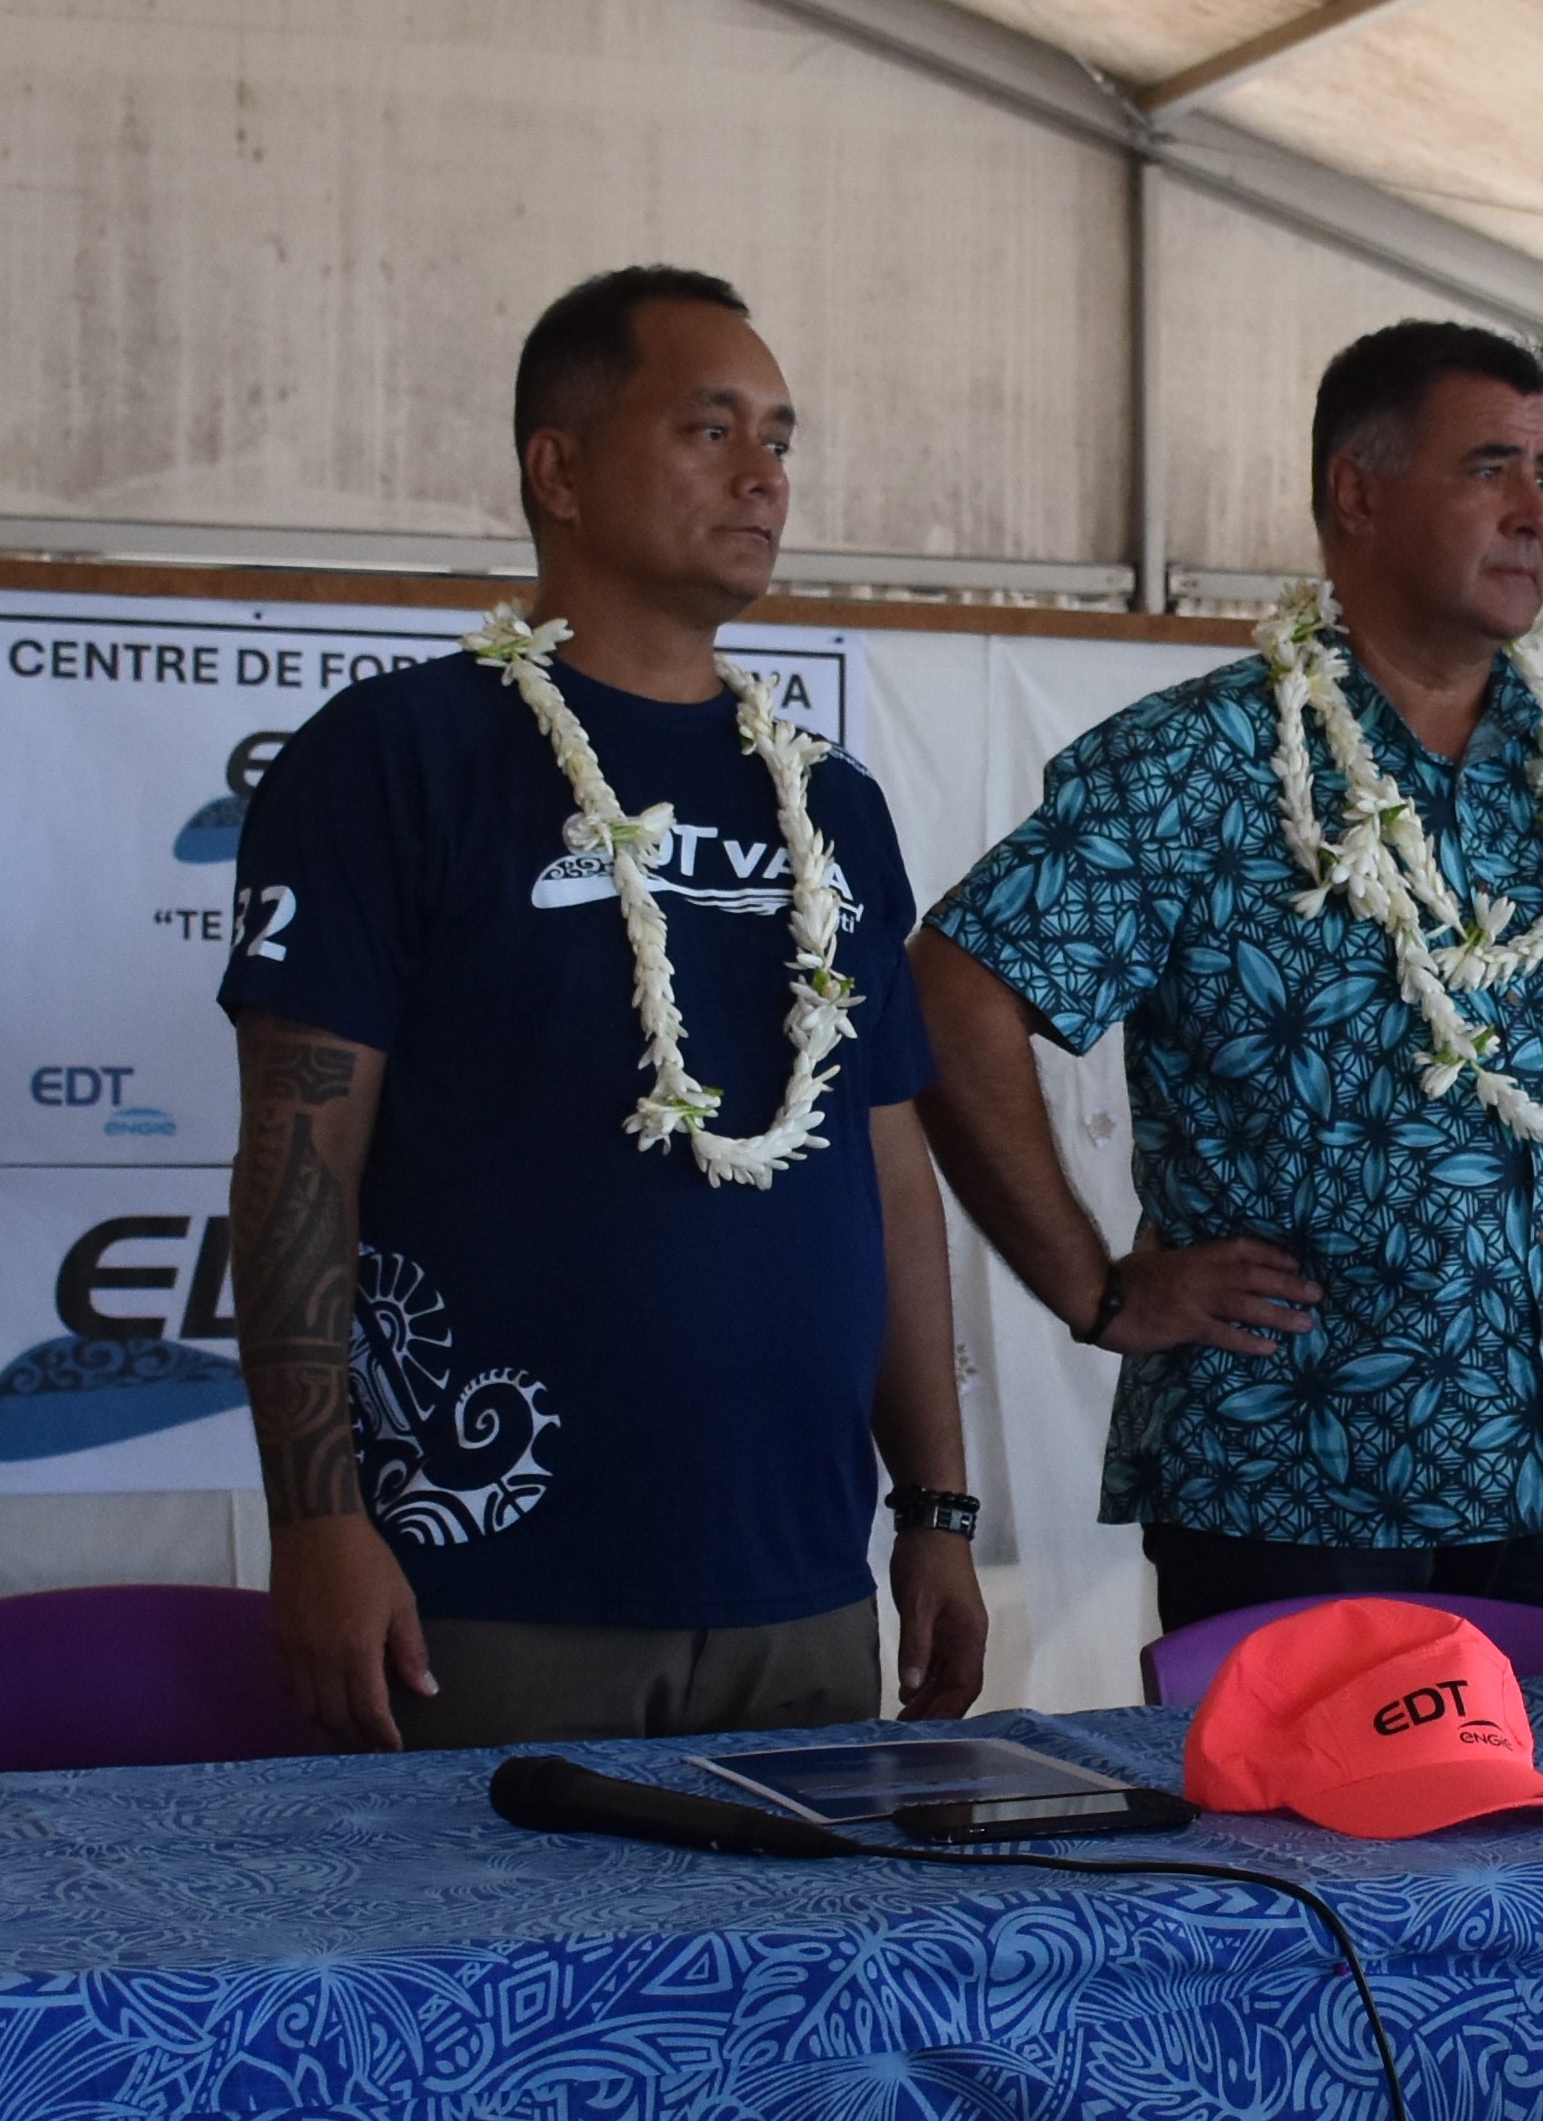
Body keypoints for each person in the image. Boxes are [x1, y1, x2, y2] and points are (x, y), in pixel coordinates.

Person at [907, 319, 1543, 1643]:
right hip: (1292, 1483)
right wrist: (1095, 1286)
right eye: (1491, 468)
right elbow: (955, 987)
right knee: (1318, 1856)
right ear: (1357, 494)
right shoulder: (1203, 762)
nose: (1535, 513)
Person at [219, 265, 986, 1745]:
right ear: (555, 469)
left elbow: (889, 1170)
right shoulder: (394, 757)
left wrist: (939, 1507)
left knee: (803, 1986)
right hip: (490, 1591)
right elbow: (293, 1158)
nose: (764, 472)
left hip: (805, 1592)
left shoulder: (832, 802)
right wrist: (314, 1517)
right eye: (711, 429)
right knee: (487, 1987)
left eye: (780, 435)